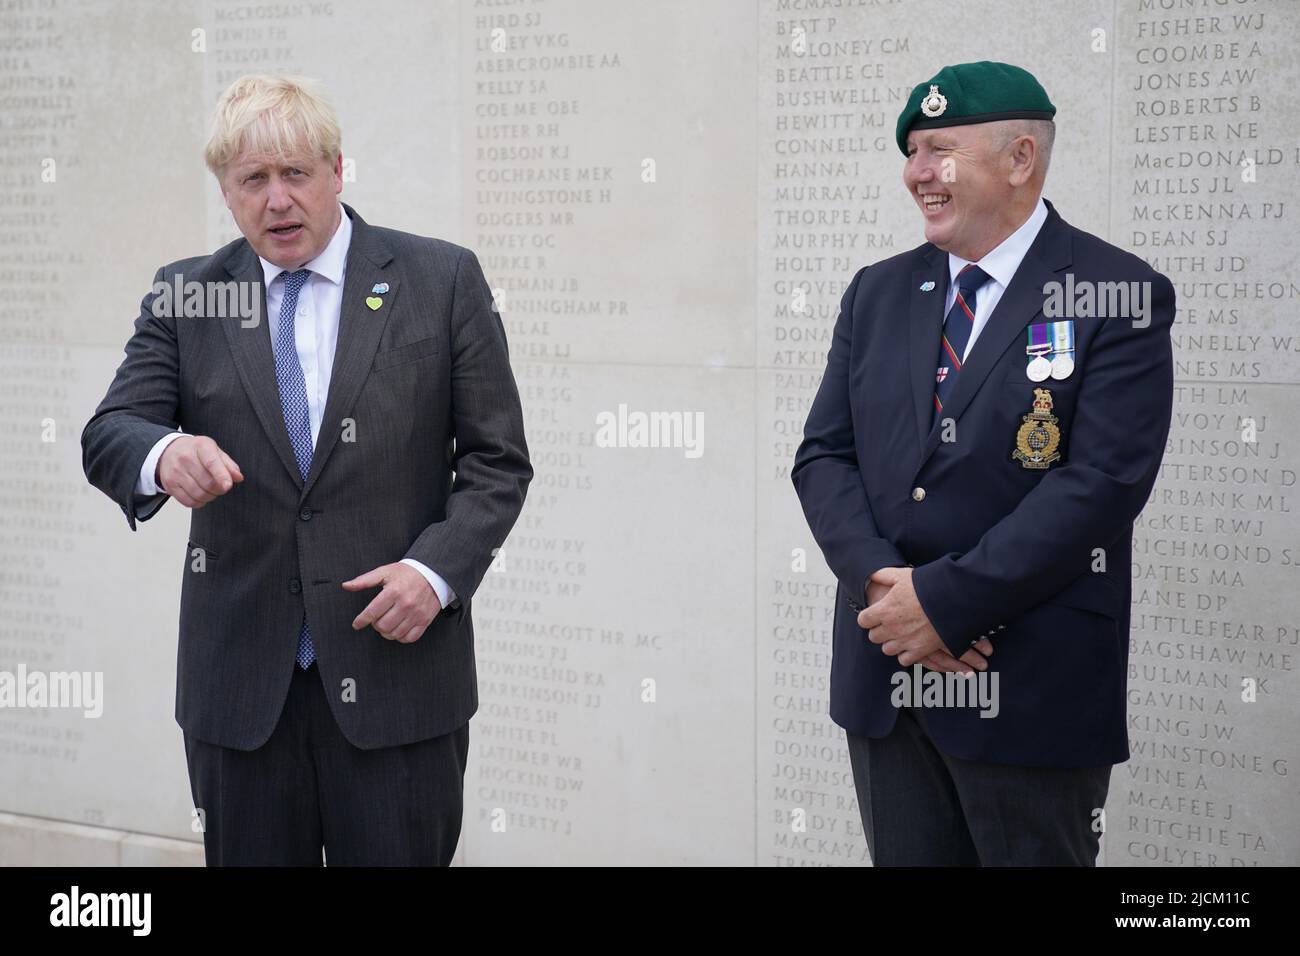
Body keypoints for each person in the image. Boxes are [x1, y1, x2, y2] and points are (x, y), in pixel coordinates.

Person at [81, 74, 532, 865]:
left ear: (337, 171)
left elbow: (497, 463)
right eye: (253, 180)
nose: (278, 200)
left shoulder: (441, 279)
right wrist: (163, 453)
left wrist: (434, 574)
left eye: (296, 174)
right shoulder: (188, 295)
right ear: (226, 192)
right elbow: (111, 430)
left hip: (397, 684)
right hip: (243, 699)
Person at [792, 61, 1175, 866]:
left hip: (1030, 688)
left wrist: (945, 603)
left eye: (939, 150)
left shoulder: (1118, 293)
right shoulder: (877, 292)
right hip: (889, 679)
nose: (916, 174)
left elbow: (1102, 484)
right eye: (911, 154)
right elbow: (825, 455)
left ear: (1019, 159)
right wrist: (883, 590)